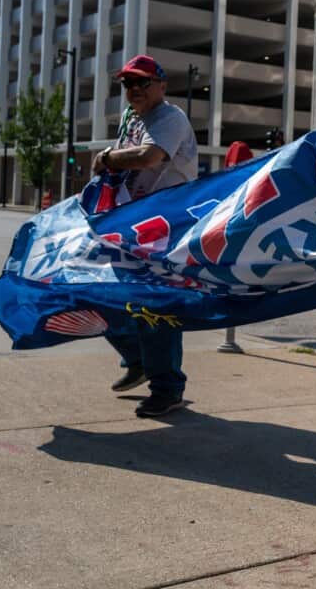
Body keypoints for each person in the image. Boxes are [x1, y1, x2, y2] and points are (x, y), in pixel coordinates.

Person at [91, 54, 199, 418]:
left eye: (142, 82)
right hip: (129, 226)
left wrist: (107, 158)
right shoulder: (130, 117)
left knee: (156, 308)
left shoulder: (170, 118)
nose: (134, 89)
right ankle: (137, 359)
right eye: (127, 84)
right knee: (94, 292)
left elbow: (150, 157)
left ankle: (167, 388)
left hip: (165, 229)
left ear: (162, 85)